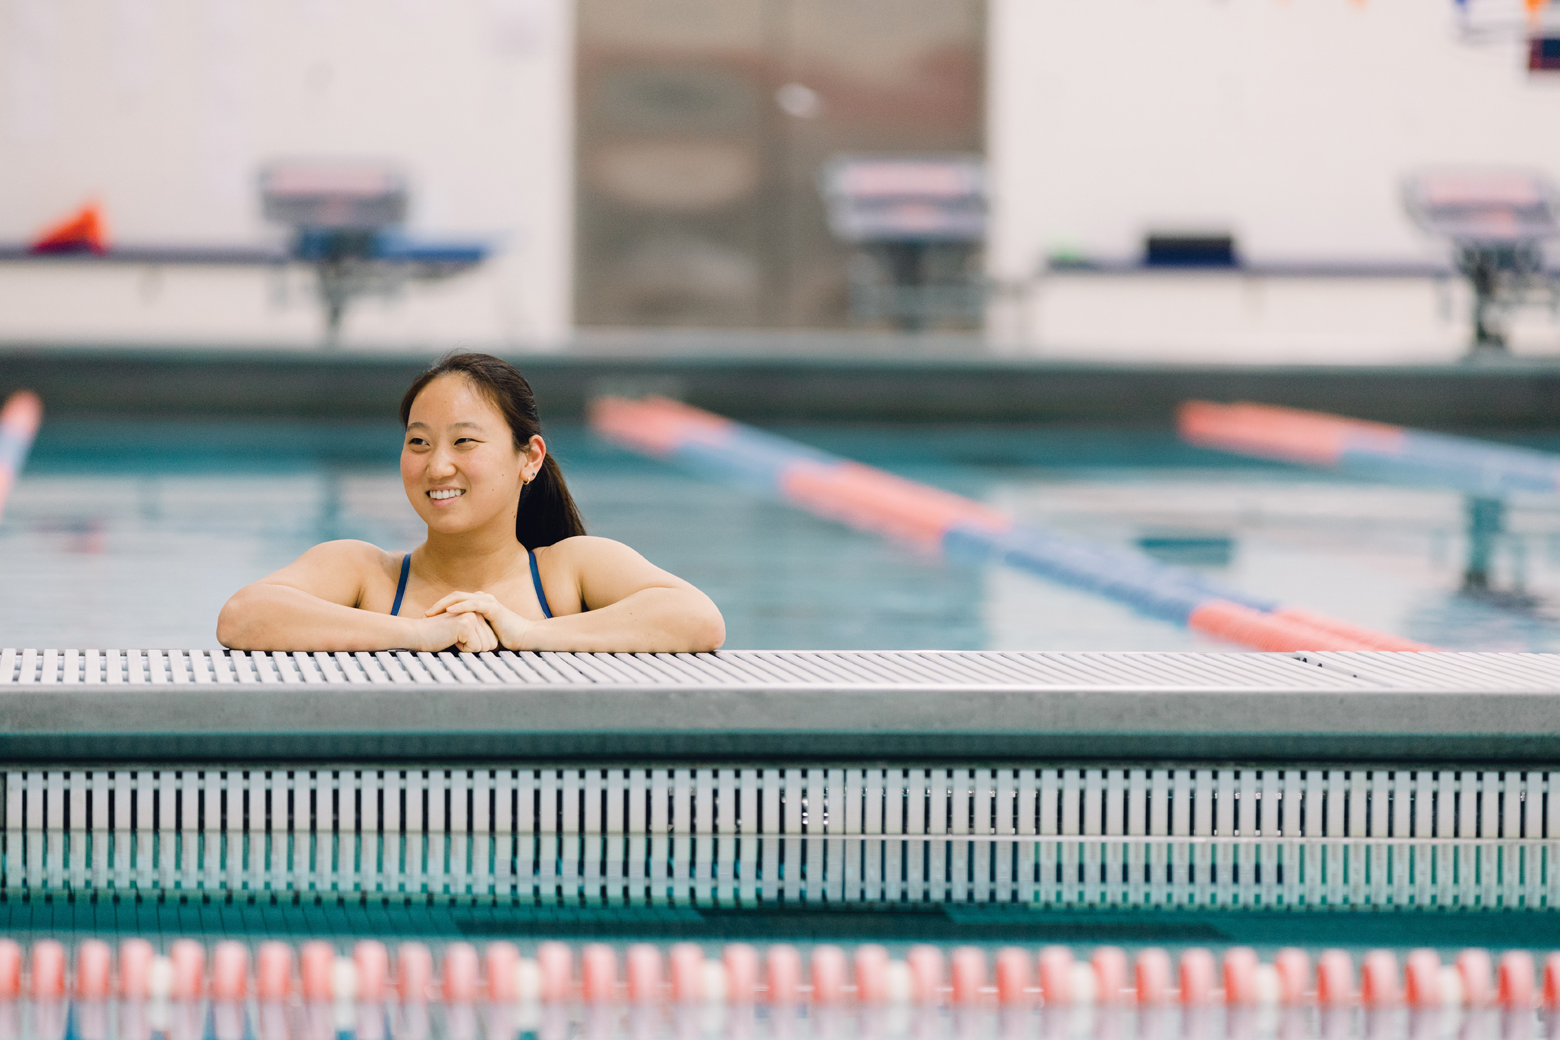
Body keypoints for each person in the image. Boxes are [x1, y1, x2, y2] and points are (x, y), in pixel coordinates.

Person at [217, 352, 725, 654]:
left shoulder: (567, 571)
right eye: (419, 442)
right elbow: (242, 616)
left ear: (529, 458)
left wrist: (527, 633)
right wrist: (417, 633)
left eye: (464, 442)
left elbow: (697, 619)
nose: (437, 467)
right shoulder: (364, 573)